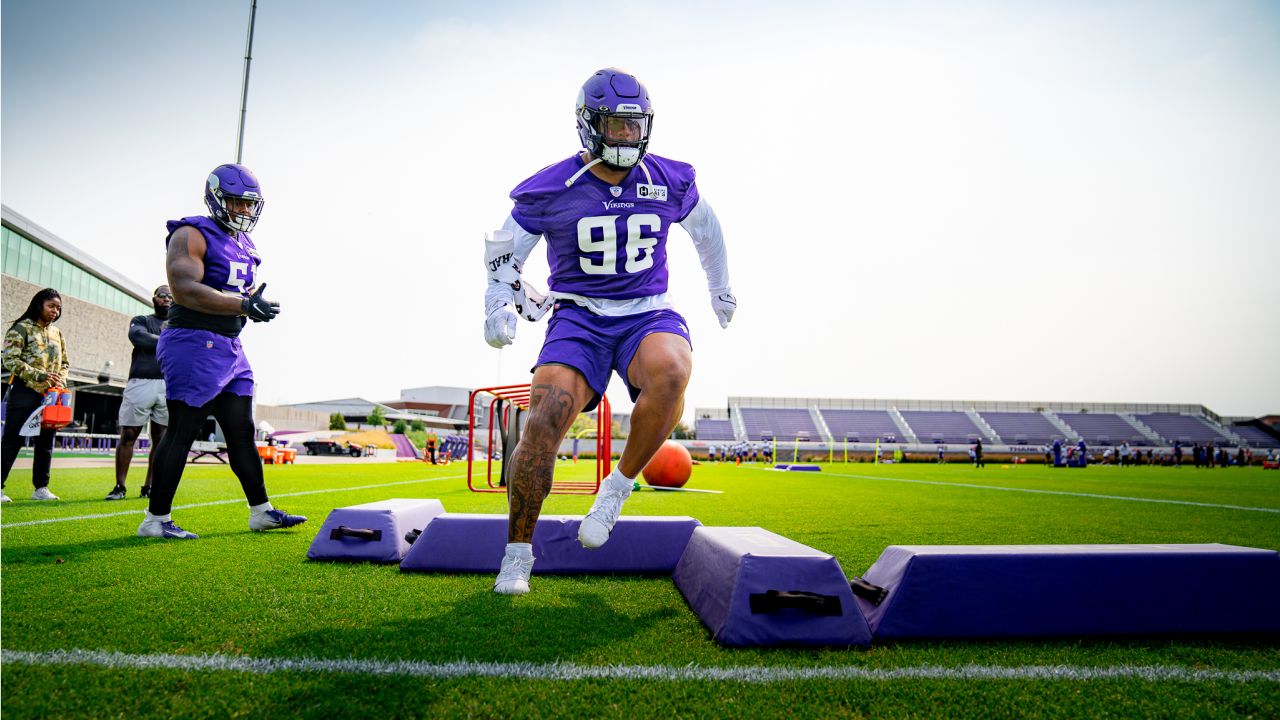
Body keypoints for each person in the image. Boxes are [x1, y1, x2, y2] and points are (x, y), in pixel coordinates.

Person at [483, 68, 735, 595]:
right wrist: (497, 305)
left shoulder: (668, 178)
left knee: (672, 371)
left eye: (634, 125)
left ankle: (616, 487)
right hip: (579, 316)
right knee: (543, 420)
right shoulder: (552, 187)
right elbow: (504, 256)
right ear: (588, 125)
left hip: (647, 311)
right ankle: (517, 554)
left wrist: (719, 287)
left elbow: (708, 234)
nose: (625, 136)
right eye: (614, 125)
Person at [137, 163, 305, 540]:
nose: (244, 211)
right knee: (182, 430)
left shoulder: (245, 244)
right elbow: (184, 288)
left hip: (230, 345)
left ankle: (260, 511)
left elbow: (234, 296)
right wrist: (243, 306)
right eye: (236, 203)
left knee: (242, 432)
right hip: (193, 339)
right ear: (216, 198)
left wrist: (249, 306)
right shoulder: (191, 232)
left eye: (249, 205)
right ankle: (155, 519)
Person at [106, 285, 173, 500]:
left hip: (167, 384)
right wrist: (169, 341)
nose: (167, 299)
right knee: (128, 435)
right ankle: (120, 486)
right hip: (140, 383)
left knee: (161, 440)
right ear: (154, 299)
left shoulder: (178, 325)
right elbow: (139, 338)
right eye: (162, 295)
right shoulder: (142, 320)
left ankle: (149, 486)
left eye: (171, 296)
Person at [2, 289, 69, 502]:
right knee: (13, 439)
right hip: (25, 391)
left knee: (46, 442)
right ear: (39, 304)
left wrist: (61, 380)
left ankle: (41, 488)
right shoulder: (21, 328)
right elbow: (9, 360)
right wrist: (39, 375)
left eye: (58, 308)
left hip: (50, 395)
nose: (55, 311)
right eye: (51, 306)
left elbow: (65, 363)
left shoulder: (58, 333)